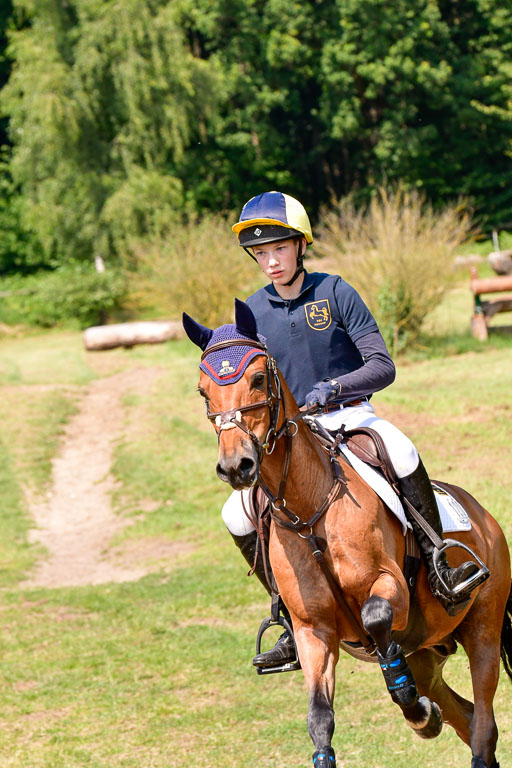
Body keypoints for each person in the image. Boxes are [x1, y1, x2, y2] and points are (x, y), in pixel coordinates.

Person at [222, 190, 485, 669]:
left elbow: (382, 365)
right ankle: (286, 612)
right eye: (260, 253)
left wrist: (334, 387)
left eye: (279, 249)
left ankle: (440, 565)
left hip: (348, 414)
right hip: (290, 435)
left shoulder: (335, 292)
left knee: (400, 451)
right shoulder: (252, 313)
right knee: (236, 513)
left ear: (301, 246)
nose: (270, 262)